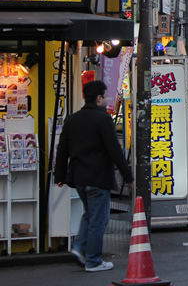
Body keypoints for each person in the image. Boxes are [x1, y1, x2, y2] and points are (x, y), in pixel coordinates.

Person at [54, 80, 134, 272]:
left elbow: (62, 149)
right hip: (98, 177)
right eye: (104, 96)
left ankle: (79, 247)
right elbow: (114, 150)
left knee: (89, 214)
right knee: (99, 219)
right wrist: (128, 177)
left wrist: (59, 175)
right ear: (98, 98)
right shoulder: (103, 120)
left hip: (78, 177)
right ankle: (93, 260)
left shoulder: (72, 119)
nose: (106, 100)